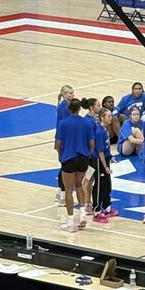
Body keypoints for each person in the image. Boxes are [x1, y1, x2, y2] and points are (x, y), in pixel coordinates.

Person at [55, 98, 93, 233]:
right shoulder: (87, 123)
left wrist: (60, 156)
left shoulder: (64, 123)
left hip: (69, 158)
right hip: (83, 158)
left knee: (69, 190)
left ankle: (70, 222)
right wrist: (87, 155)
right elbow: (92, 144)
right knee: (79, 185)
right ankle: (82, 214)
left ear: (69, 109)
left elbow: (58, 144)